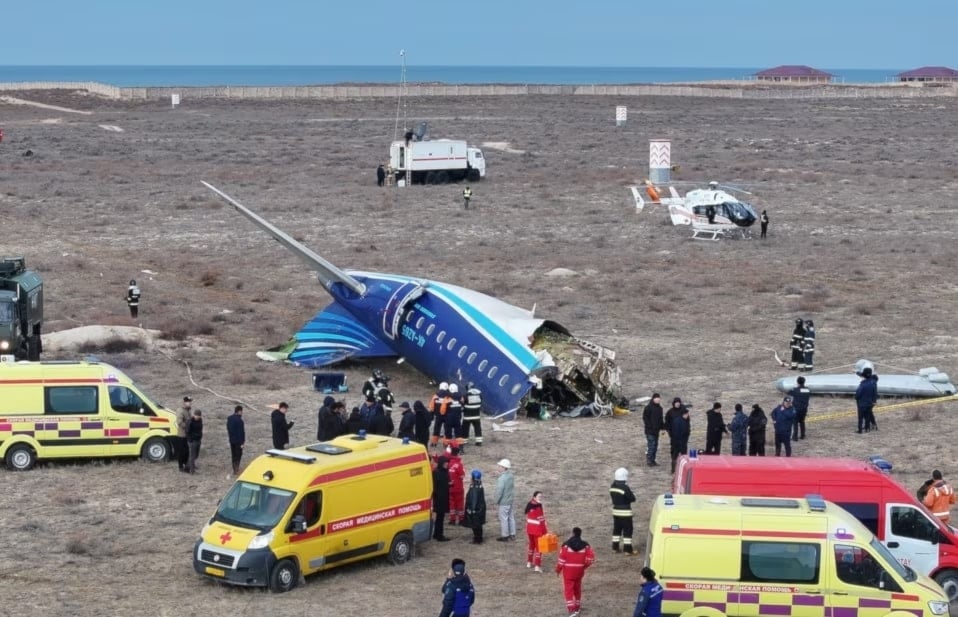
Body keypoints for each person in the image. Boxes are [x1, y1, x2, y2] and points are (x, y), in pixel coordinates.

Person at [555, 527, 595, 617]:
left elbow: (561, 560)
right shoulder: (585, 546)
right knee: (577, 589)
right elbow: (591, 558)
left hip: (568, 572)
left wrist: (558, 570)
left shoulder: (566, 546)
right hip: (579, 572)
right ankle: (577, 607)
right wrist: (584, 566)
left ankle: (571, 610)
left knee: (568, 590)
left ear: (573, 534)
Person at [609, 467, 637, 555]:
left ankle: (615, 548)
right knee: (627, 530)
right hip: (625, 512)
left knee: (617, 530)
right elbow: (632, 498)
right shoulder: (625, 488)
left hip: (616, 511)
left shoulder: (612, 487)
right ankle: (627, 550)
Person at [524, 491, 548, 572]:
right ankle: (537, 565)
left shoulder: (530, 505)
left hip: (529, 530)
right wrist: (545, 532)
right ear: (534, 497)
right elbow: (541, 520)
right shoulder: (538, 507)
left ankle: (529, 562)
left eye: (541, 496)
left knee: (531, 545)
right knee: (539, 548)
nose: (540, 498)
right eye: (539, 496)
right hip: (537, 531)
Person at [494, 458, 516, 541]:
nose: (498, 467)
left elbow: (499, 491)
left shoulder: (502, 479)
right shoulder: (511, 476)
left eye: (500, 466)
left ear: (504, 468)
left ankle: (505, 536)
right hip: (510, 500)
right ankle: (512, 534)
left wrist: (496, 501)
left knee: (504, 519)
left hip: (504, 502)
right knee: (511, 517)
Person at [464, 469, 487, 544]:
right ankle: (479, 538)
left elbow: (473, 500)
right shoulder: (479, 486)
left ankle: (477, 539)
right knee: (478, 525)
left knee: (475, 525)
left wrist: (471, 510)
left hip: (476, 510)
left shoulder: (474, 488)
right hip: (480, 509)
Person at [642, 393, 664, 467]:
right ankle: (649, 460)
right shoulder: (648, 408)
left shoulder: (660, 409)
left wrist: (663, 428)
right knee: (651, 445)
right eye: (656, 398)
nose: (658, 399)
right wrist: (649, 426)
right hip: (650, 431)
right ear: (653, 399)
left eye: (659, 398)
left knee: (655, 446)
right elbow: (645, 418)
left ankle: (653, 460)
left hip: (656, 431)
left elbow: (660, 420)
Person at [432, 455, 451, 541]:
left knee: (440, 517)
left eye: (447, 462)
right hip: (439, 498)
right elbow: (434, 486)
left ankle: (437, 534)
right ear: (441, 463)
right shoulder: (437, 473)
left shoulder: (444, 472)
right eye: (445, 462)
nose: (447, 464)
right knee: (440, 517)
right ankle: (439, 535)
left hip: (443, 497)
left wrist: (449, 484)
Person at [855, 366, 879, 433]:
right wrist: (856, 372)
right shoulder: (873, 381)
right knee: (869, 414)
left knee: (861, 416)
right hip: (871, 402)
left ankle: (860, 430)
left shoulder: (863, 385)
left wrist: (856, 397)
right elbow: (864, 375)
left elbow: (858, 394)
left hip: (862, 403)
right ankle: (868, 428)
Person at [669, 404, 691, 473]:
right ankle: (673, 470)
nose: (688, 415)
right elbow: (676, 433)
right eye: (687, 414)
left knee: (684, 456)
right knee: (675, 456)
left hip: (683, 442)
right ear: (683, 414)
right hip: (678, 442)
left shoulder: (685, 421)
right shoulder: (677, 421)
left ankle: (682, 470)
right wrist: (678, 442)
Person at [447, 446, 466, 525]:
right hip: (458, 488)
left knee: (451, 504)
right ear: (458, 454)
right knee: (459, 504)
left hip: (449, 488)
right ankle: (461, 519)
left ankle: (452, 519)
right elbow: (462, 476)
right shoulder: (459, 464)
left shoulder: (447, 463)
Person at [789, 376, 811, 441]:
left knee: (795, 423)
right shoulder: (807, 390)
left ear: (797, 382)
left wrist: (795, 387)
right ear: (804, 382)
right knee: (802, 422)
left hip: (796, 409)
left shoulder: (795, 390)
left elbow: (789, 392)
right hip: (804, 409)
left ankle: (795, 437)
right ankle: (802, 435)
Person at [430, 382, 451, 448]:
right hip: (446, 415)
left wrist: (432, 414)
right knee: (447, 429)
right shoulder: (449, 395)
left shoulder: (436, 395)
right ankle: (446, 444)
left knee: (436, 428)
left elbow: (432, 406)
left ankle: (434, 442)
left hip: (438, 415)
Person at [461, 382, 483, 447]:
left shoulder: (466, 395)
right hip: (476, 415)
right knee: (477, 428)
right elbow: (480, 402)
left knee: (465, 428)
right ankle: (479, 441)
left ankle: (464, 440)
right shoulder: (479, 394)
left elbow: (462, 403)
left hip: (467, 415)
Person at [175, 396, 194, 472]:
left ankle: (186, 465)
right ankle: (180, 467)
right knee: (181, 452)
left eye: (190, 401)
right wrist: (187, 427)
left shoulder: (188, 410)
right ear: (184, 402)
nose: (190, 403)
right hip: (182, 435)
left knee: (186, 451)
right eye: (188, 401)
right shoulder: (180, 410)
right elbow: (179, 422)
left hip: (187, 434)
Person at [226, 404, 245, 476]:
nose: (242, 413)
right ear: (239, 411)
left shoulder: (229, 418)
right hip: (238, 441)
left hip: (232, 440)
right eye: (241, 412)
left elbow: (228, 429)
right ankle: (236, 469)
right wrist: (242, 443)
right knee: (238, 455)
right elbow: (241, 433)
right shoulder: (240, 421)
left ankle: (234, 467)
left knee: (233, 454)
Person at [444, 384, 464, 449]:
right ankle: (461, 447)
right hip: (457, 418)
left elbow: (442, 410)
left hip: (448, 419)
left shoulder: (447, 398)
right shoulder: (461, 398)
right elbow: (462, 406)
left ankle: (448, 447)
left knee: (448, 433)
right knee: (458, 433)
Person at [186, 408, 203, 474]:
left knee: (196, 455)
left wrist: (200, 437)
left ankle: (188, 465)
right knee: (192, 455)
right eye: (196, 415)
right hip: (192, 441)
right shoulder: (190, 421)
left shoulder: (200, 421)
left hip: (198, 440)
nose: (197, 417)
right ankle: (192, 471)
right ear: (194, 415)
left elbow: (200, 429)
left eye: (199, 416)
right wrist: (190, 440)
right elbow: (187, 431)